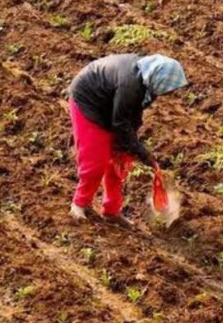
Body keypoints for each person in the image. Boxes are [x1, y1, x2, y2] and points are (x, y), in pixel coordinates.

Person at [67, 53, 188, 223]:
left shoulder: (147, 81)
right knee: (95, 161)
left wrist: (131, 146)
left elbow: (133, 114)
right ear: (159, 78)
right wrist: (142, 153)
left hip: (111, 105)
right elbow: (121, 123)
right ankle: (79, 204)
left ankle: (111, 211)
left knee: (120, 162)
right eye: (169, 88)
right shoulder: (130, 86)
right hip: (89, 102)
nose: (171, 92)